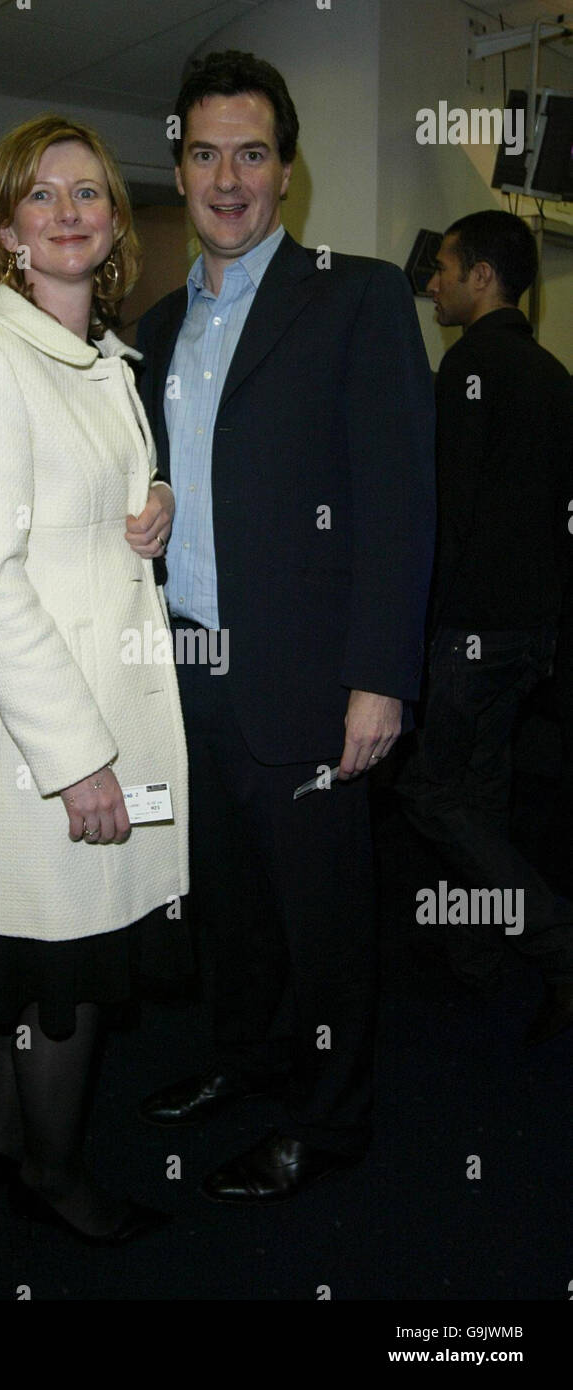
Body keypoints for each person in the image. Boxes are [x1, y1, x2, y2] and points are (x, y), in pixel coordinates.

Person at [135, 50, 435, 1204]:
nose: (227, 176)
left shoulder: (354, 295)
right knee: (232, 910)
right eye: (205, 152)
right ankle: (244, 1062)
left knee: (325, 928)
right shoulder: (157, 328)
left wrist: (380, 677)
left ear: (287, 173)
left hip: (314, 685)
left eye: (251, 153)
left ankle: (332, 1120)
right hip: (189, 675)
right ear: (179, 169)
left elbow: (403, 501)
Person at [0, 113, 190, 1244]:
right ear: (5, 229)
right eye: (43, 194)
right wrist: (78, 758)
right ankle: (55, 1171)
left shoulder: (104, 358)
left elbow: (87, 509)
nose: (71, 209)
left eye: (89, 192)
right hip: (48, 720)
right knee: (63, 963)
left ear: (115, 225)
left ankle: (2, 1133)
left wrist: (155, 504)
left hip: (94, 694)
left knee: (24, 943)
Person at [397, 209, 573, 1046]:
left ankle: (556, 940)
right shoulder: (551, 374)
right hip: (532, 632)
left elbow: (448, 519)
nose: (431, 281)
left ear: (481, 278)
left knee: (430, 793)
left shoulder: (468, 368)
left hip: (470, 630)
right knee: (481, 791)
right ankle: (476, 953)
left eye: (446, 267)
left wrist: (418, 637)